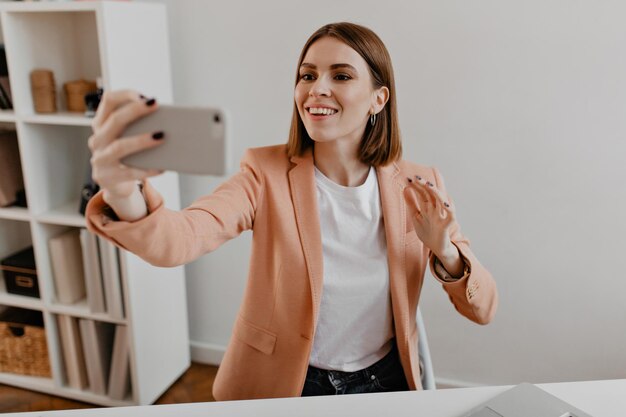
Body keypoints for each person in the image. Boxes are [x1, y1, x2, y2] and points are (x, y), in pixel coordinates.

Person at [86, 22, 498, 400]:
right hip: (290, 383)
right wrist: (122, 190)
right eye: (307, 75)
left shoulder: (419, 185)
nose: (316, 88)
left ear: (379, 98)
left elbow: (483, 308)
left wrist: (443, 249)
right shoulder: (263, 174)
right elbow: (178, 241)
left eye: (340, 75)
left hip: (385, 381)